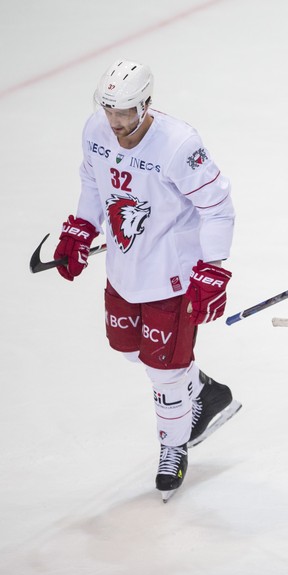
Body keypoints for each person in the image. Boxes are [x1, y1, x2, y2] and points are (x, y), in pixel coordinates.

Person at [52, 59, 241, 502]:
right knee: (130, 351)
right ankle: (205, 392)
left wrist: (212, 269)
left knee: (164, 371)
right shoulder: (95, 130)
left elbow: (218, 206)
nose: (115, 122)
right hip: (123, 268)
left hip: (172, 275)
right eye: (109, 110)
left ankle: (172, 448)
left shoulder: (178, 144)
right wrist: (82, 227)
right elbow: (93, 181)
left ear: (147, 103)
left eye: (125, 112)